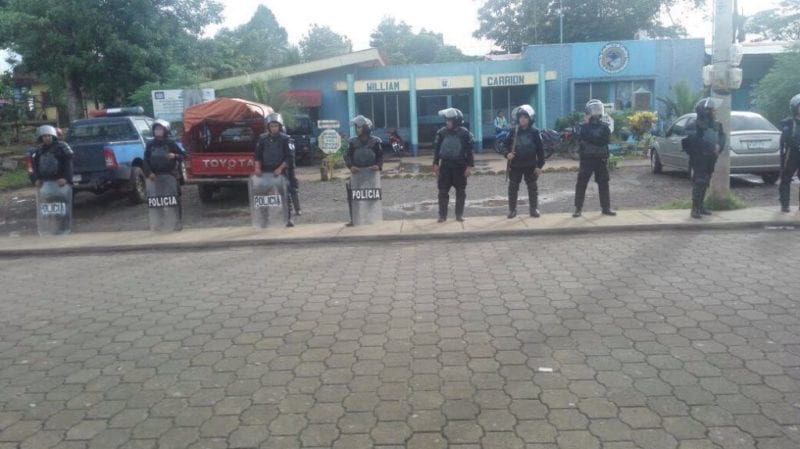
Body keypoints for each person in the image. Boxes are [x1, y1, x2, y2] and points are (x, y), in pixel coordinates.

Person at [682, 98, 725, 219]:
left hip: (711, 158)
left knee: (706, 181)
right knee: (699, 181)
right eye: (712, 110)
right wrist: (711, 146)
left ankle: (701, 206)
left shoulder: (716, 124)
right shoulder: (695, 125)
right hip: (699, 157)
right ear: (705, 111)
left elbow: (722, 137)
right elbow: (694, 141)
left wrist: (719, 147)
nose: (715, 112)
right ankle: (695, 208)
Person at [573, 99, 616, 217]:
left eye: (597, 110)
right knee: (581, 183)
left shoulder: (605, 127)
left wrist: (590, 140)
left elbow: (604, 140)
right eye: (593, 111)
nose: (595, 113)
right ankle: (578, 208)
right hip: (587, 159)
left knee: (604, 183)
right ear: (588, 112)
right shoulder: (583, 127)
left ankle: (606, 208)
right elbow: (581, 138)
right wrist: (591, 140)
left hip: (601, 159)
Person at [433, 108, 474, 222]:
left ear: (456, 121)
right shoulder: (441, 132)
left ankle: (459, 215)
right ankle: (442, 216)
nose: (447, 123)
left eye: (449, 120)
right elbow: (437, 150)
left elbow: (469, 152)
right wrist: (435, 164)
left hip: (460, 167)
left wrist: (469, 167)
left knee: (461, 192)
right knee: (442, 192)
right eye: (446, 120)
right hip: (445, 167)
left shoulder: (465, 134)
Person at [503, 105, 545, 218]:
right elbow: (504, 146)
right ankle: (512, 210)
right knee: (513, 189)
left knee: (532, 188)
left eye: (525, 117)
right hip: (515, 166)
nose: (522, 119)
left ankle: (533, 209)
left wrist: (539, 166)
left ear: (530, 118)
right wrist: (507, 154)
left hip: (531, 166)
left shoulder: (535, 132)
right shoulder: (512, 132)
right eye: (520, 117)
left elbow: (541, 151)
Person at [254, 112, 295, 227]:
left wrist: (280, 168)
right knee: (263, 196)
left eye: (276, 126)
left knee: (285, 194)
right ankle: (264, 219)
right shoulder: (262, 139)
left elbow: (289, 157)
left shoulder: (286, 139)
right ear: (268, 127)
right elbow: (257, 155)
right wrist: (257, 168)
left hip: (281, 171)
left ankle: (288, 218)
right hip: (266, 171)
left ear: (280, 126)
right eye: (271, 126)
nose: (274, 128)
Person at [344, 115, 383, 226]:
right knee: (354, 196)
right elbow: (347, 156)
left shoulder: (376, 141)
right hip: (357, 173)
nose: (357, 129)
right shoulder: (352, 142)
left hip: (371, 173)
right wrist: (350, 166)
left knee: (372, 195)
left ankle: (371, 217)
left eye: (359, 127)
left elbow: (380, 156)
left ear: (366, 128)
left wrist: (378, 166)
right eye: (356, 127)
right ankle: (354, 219)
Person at [779, 93, 800, 213]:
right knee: (786, 178)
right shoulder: (789, 123)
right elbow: (785, 139)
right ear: (794, 108)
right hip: (792, 154)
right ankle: (785, 204)